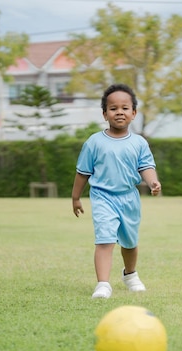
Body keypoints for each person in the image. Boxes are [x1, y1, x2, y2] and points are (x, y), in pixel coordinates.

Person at [72, 84, 161, 299]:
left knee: (130, 242)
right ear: (104, 114)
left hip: (129, 198)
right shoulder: (94, 142)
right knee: (105, 239)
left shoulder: (139, 143)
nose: (119, 111)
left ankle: (130, 274)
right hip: (102, 197)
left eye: (124, 108)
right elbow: (82, 172)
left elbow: (146, 167)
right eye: (113, 108)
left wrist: (153, 182)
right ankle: (103, 284)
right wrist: (76, 197)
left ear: (133, 113)